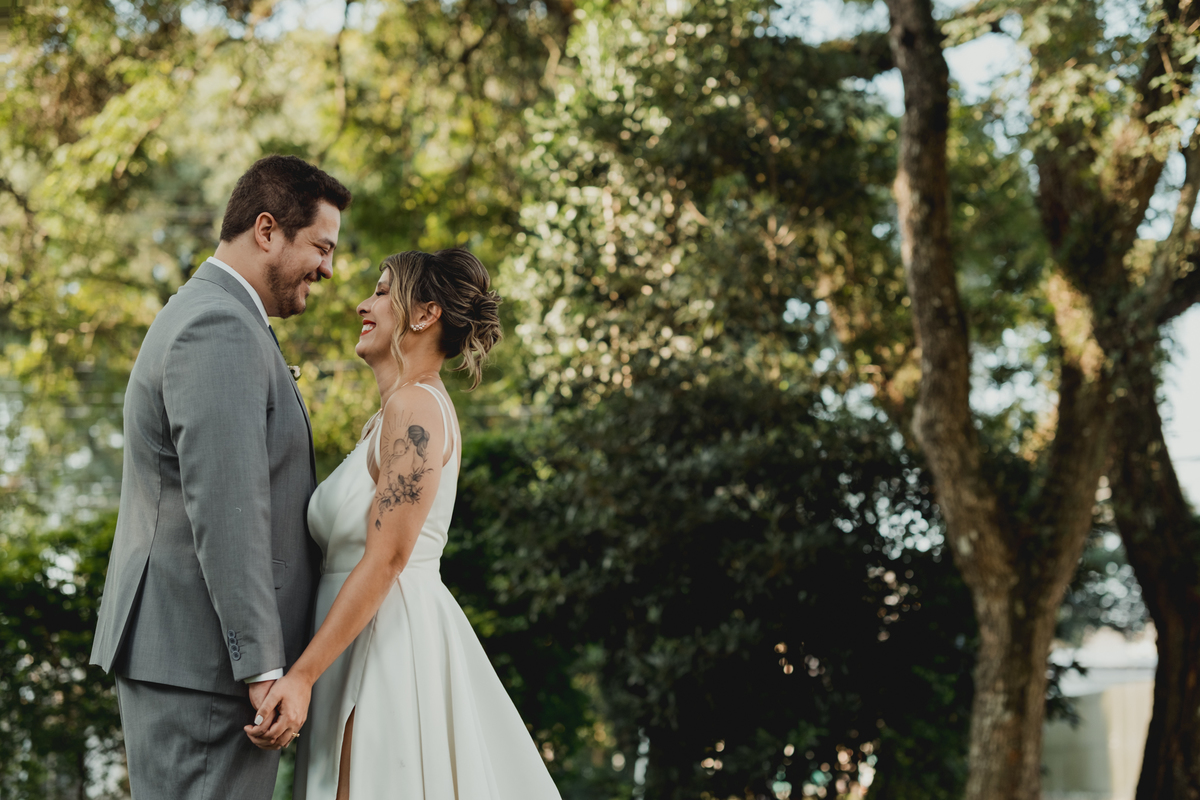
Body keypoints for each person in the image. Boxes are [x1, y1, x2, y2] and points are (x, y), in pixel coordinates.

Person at [243, 249, 561, 799]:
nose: (363, 304)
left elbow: (388, 556)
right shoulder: (393, 414)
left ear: (424, 313)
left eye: (383, 291)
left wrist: (301, 676)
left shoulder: (414, 408)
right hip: (355, 640)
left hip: (384, 646)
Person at [90, 155, 352, 799]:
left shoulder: (221, 317)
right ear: (267, 231)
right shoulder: (220, 326)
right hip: (206, 669)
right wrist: (262, 667)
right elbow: (228, 510)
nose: (328, 267)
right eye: (320, 246)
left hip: (202, 666)